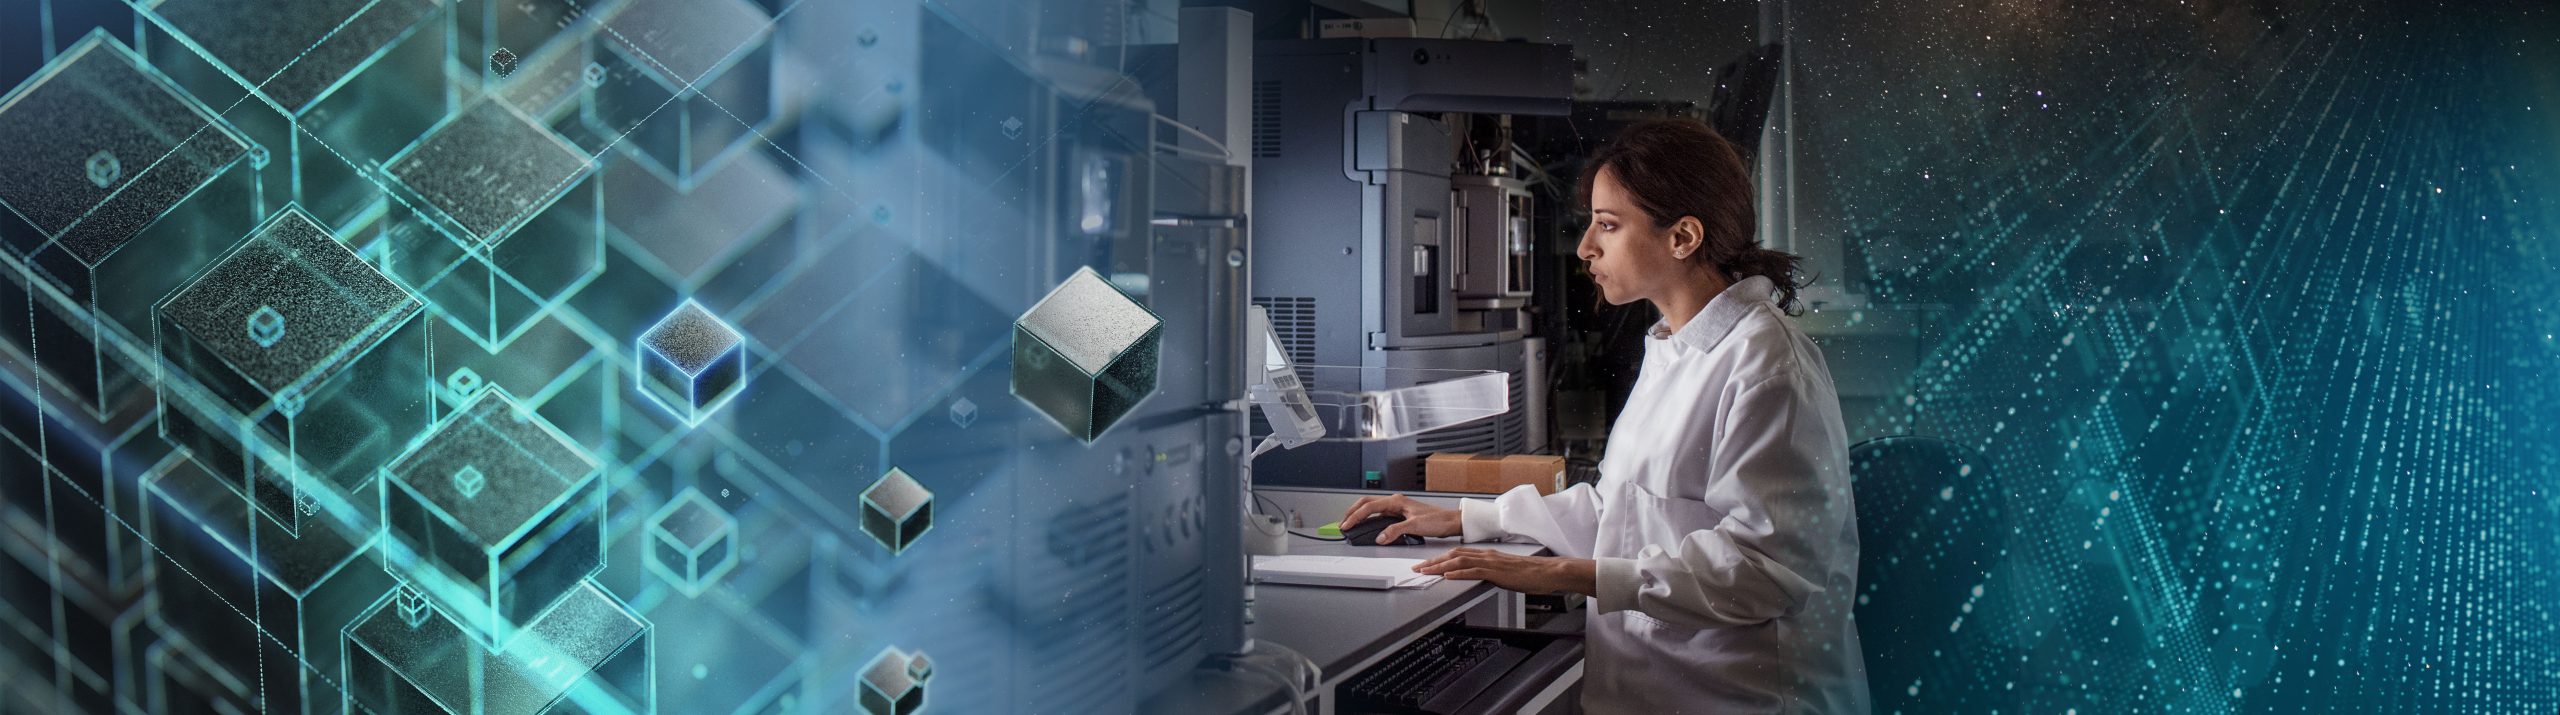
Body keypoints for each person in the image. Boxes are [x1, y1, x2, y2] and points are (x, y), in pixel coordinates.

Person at [1338, 118, 1869, 713]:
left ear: (1684, 237)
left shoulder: (1767, 366)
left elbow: (1766, 571)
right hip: (1656, 686)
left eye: (1608, 226)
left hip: (1744, 697)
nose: (1587, 246)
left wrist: (1573, 576)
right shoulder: (1676, 343)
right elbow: (1622, 508)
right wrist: (1467, 518)